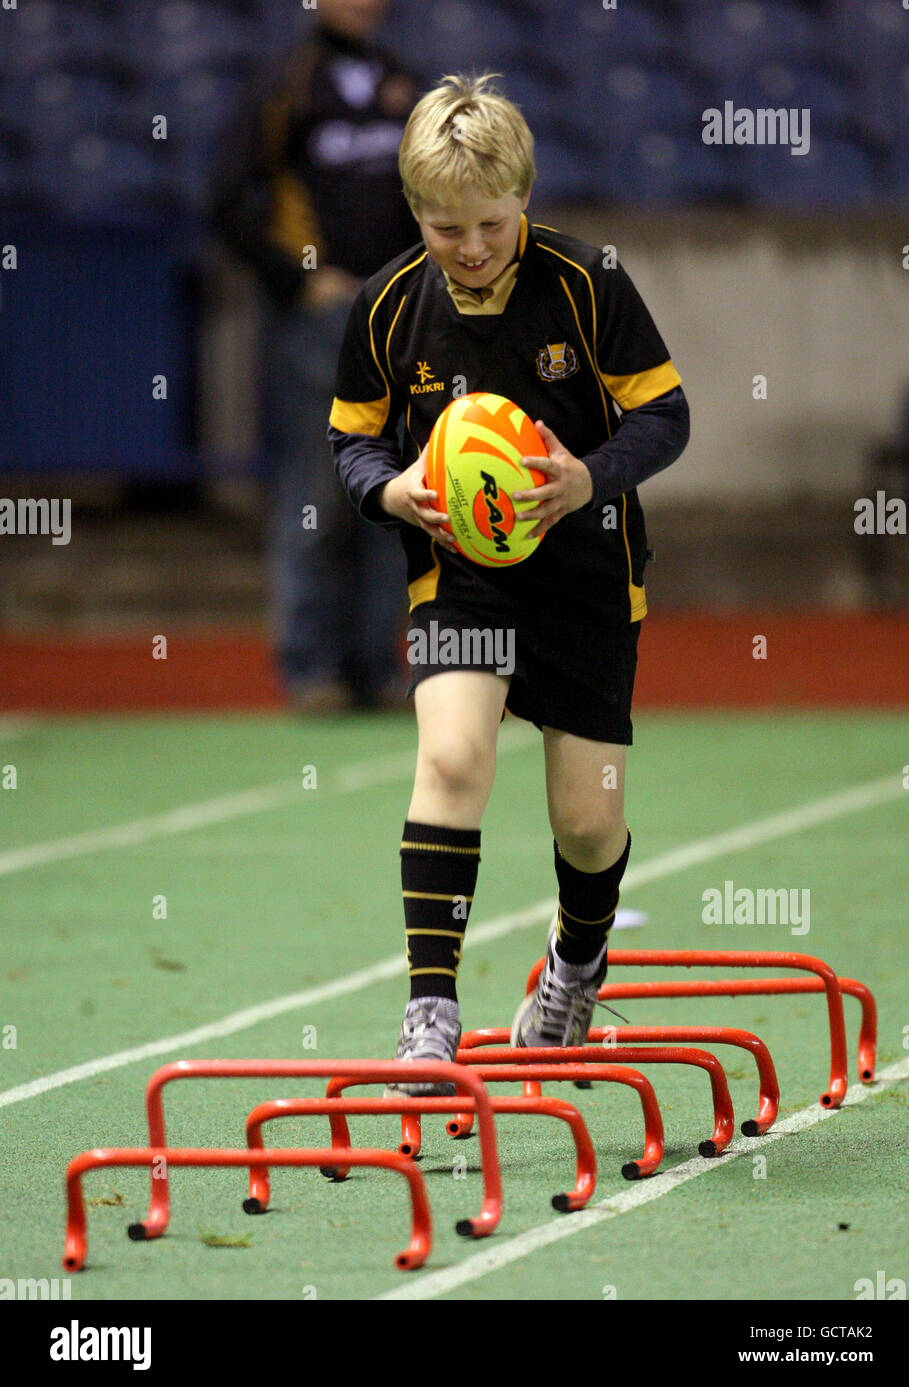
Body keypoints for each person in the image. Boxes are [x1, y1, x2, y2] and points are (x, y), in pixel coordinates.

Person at [328, 74, 690, 1092]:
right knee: (449, 759)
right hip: (460, 583)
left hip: (582, 576)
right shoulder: (387, 305)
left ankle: (575, 968)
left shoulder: (585, 283)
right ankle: (429, 1013)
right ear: (414, 213)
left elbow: (663, 419)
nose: (472, 246)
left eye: (490, 223)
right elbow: (349, 442)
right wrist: (392, 493)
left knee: (586, 817)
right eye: (446, 227)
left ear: (522, 201)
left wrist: (584, 478)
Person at [211, 0, 420, 711]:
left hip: (396, 318)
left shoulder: (403, 84)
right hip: (319, 326)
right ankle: (310, 670)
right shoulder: (285, 85)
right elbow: (226, 199)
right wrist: (298, 281)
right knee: (318, 491)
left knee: (395, 495)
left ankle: (376, 668)